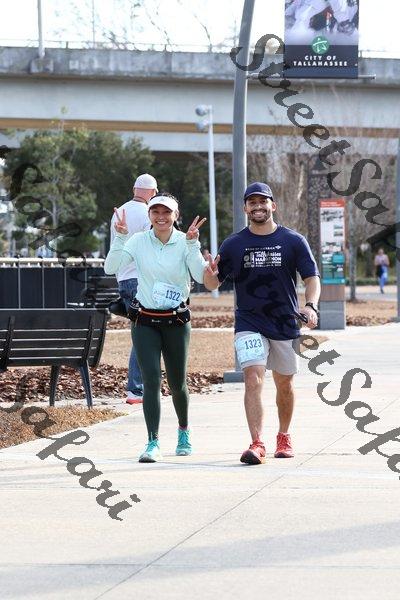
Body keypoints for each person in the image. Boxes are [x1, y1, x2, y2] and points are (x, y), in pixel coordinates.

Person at [204, 182, 321, 465]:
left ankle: (284, 436)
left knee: (285, 383)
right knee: (252, 377)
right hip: (249, 321)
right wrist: (209, 272)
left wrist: (310, 305)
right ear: (245, 208)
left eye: (263, 201)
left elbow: (311, 278)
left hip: (284, 322)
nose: (258, 206)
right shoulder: (234, 244)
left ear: (273, 206)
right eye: (252, 202)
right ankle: (257, 443)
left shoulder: (293, 240)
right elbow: (211, 284)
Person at [105, 193, 209, 463]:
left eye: (166, 212)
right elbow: (110, 267)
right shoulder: (138, 240)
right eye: (155, 212)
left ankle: (183, 432)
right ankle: (152, 442)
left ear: (176, 215)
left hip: (176, 322)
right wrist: (120, 238)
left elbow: (200, 275)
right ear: (149, 215)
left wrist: (193, 245)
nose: (161, 217)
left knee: (177, 383)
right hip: (145, 321)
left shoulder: (185, 240)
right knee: (150, 381)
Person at [110, 173, 158, 405]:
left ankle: (140, 388)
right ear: (153, 192)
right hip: (142, 279)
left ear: (134, 189)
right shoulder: (149, 213)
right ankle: (137, 389)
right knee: (146, 335)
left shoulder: (119, 212)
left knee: (142, 333)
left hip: (123, 278)